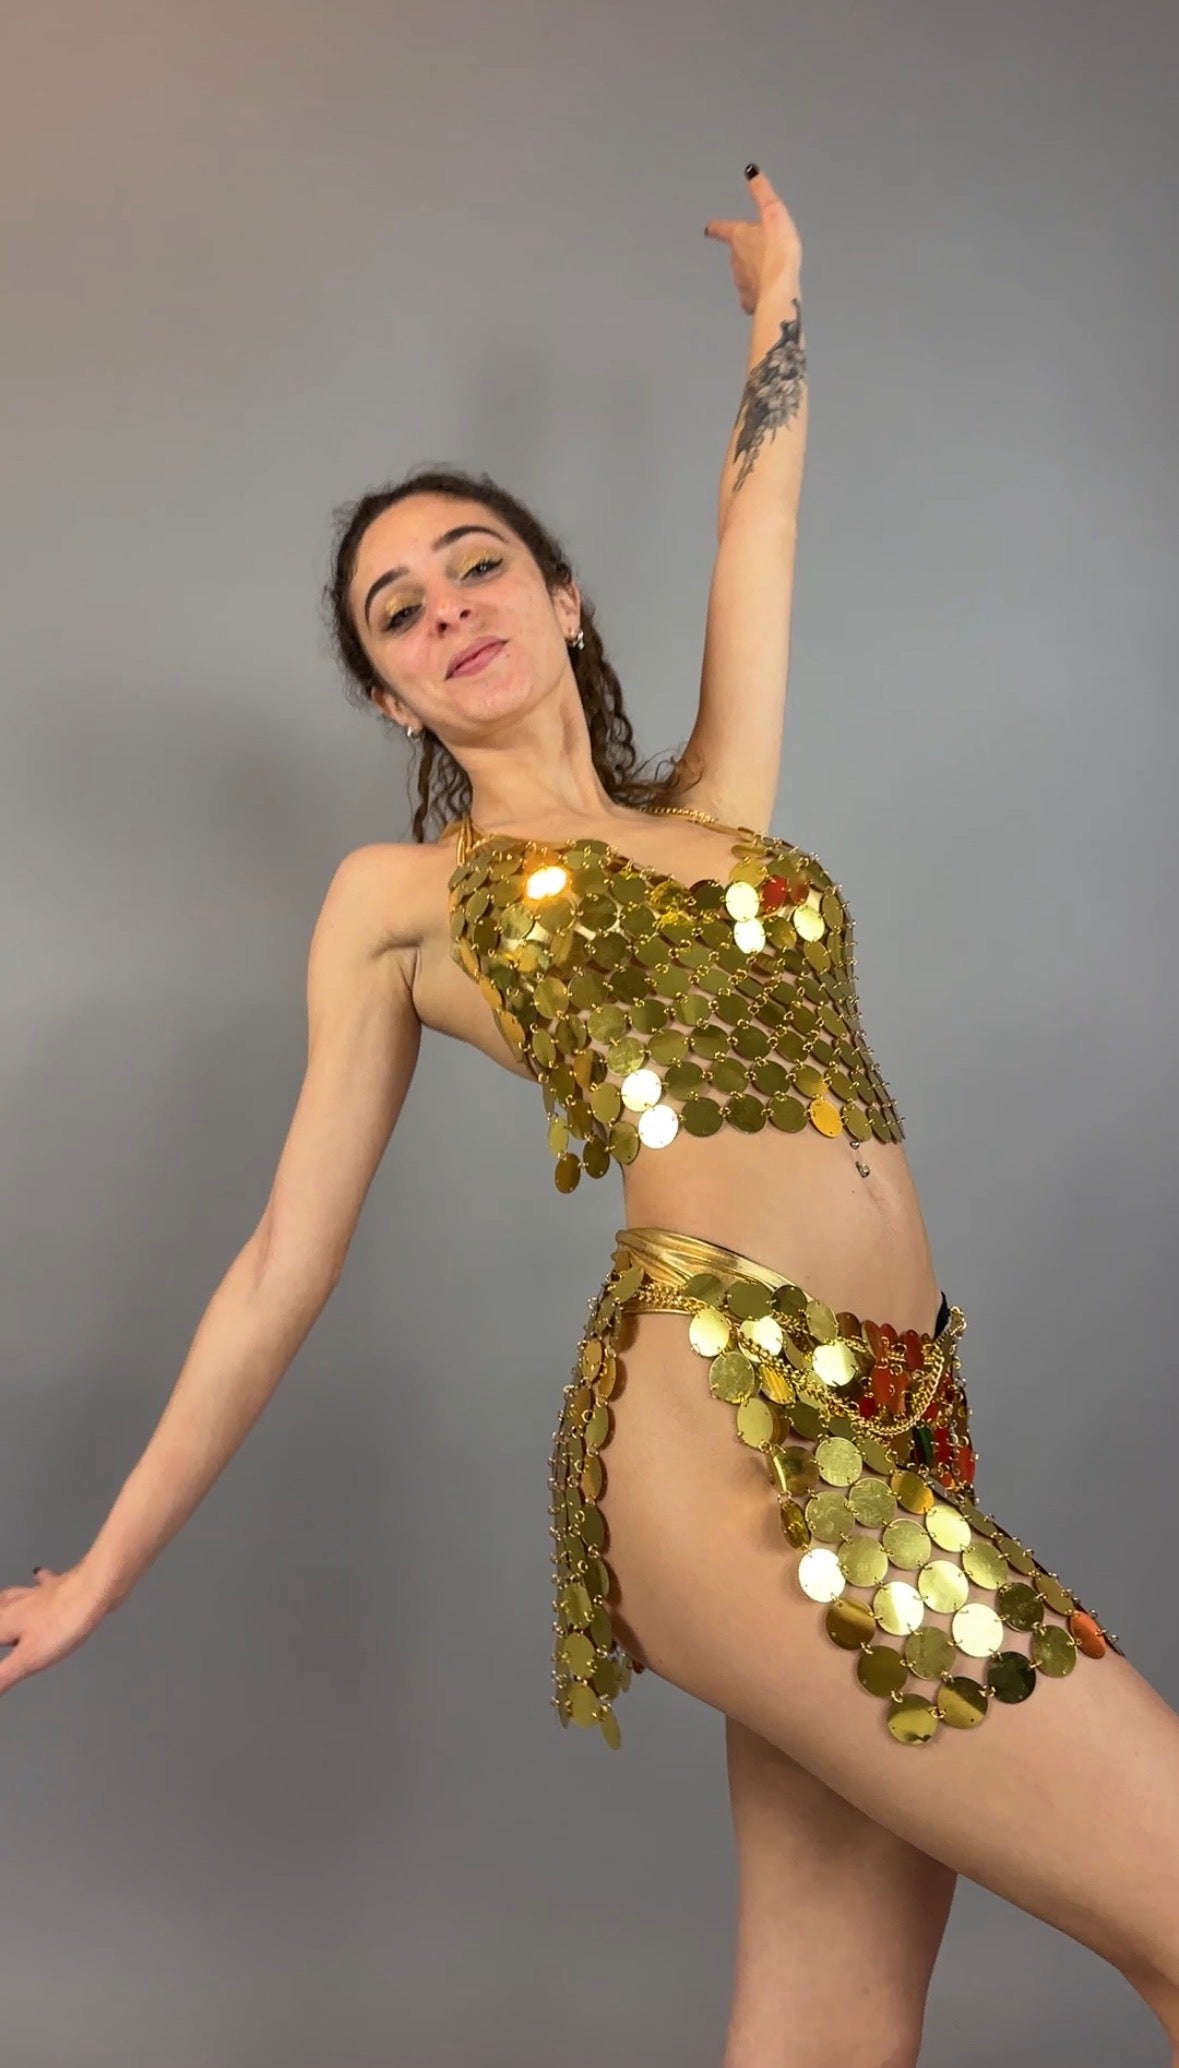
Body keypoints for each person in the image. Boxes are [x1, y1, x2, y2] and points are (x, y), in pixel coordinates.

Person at [3, 164, 1177, 2066]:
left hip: (905, 1419)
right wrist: (103, 1567)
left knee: (828, 2026)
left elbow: (765, 525)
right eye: (395, 612)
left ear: (561, 597)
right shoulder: (401, 907)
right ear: (390, 700)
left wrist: (783, 311)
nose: (445, 609)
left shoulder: (719, 817)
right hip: (716, 1442)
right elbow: (281, 1262)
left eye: (476, 565)